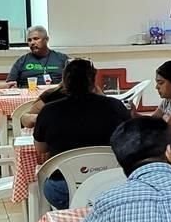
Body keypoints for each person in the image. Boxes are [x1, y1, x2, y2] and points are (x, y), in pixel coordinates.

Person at [33, 59, 131, 209]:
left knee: (52, 186)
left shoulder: (49, 111)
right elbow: (129, 140)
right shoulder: (115, 106)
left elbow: (41, 148)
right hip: (110, 183)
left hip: (63, 188)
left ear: (64, 82)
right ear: (93, 82)